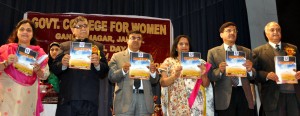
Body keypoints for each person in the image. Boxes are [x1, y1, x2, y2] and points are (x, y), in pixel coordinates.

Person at [51, 16, 109, 116]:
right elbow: (54, 68)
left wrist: (97, 64)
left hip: (89, 99)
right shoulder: (64, 46)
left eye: (85, 26)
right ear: (72, 30)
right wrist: (63, 64)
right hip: (68, 98)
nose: (83, 28)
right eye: (79, 26)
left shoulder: (97, 46)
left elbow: (104, 71)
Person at [0, 19, 49, 116]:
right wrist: (6, 63)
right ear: (17, 32)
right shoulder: (6, 49)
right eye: (22, 29)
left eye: (28, 30)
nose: (25, 32)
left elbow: (45, 76)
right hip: (6, 95)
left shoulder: (39, 53)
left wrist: (38, 70)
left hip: (28, 96)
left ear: (32, 34)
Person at [207, 22, 256, 116]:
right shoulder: (213, 52)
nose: (232, 33)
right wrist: (220, 71)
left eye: (234, 31)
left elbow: (253, 76)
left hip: (244, 94)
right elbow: (210, 76)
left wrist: (250, 70)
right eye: (228, 30)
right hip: (224, 96)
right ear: (221, 34)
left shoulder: (246, 51)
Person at [253, 21, 300, 116]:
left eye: (278, 30)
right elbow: (253, 74)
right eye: (272, 30)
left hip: (293, 95)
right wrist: (266, 75)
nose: (276, 32)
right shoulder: (258, 51)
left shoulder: (292, 48)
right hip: (273, 97)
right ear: (266, 34)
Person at [108, 30, 160, 116]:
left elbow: (154, 81)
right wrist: (123, 71)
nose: (136, 40)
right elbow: (111, 77)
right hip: (124, 99)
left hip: (144, 99)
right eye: (133, 38)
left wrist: (153, 72)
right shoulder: (117, 56)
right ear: (127, 40)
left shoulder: (148, 57)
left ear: (141, 42)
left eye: (139, 38)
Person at [159, 35, 213, 116]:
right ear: (176, 48)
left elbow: (206, 84)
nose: (184, 46)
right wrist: (174, 76)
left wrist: (203, 74)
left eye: (186, 44)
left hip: (196, 102)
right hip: (176, 103)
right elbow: (162, 82)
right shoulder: (168, 62)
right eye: (181, 44)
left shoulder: (199, 62)